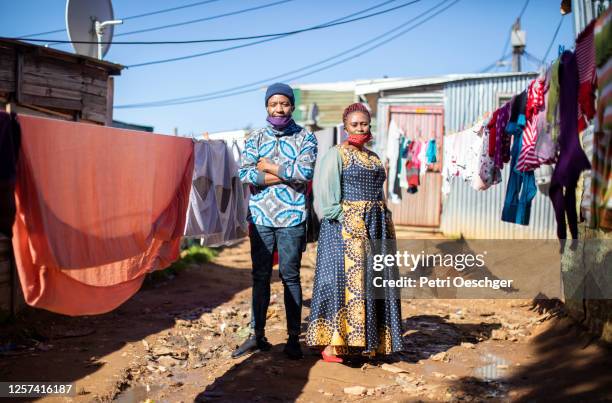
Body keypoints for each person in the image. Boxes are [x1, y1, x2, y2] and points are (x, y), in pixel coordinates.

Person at [305, 103, 403, 362]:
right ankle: (331, 345)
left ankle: (368, 342)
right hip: (344, 229)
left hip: (377, 226)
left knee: (371, 283)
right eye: (354, 124)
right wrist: (349, 220)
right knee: (339, 282)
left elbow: (378, 193)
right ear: (345, 126)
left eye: (364, 123)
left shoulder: (374, 157)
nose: (360, 128)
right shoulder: (336, 154)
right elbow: (327, 202)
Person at [233, 83, 318, 360]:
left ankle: (294, 338)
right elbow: (245, 174)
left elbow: (304, 173)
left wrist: (267, 166)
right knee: (259, 277)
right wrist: (286, 174)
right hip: (260, 218)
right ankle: (256, 336)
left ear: (292, 106)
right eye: (273, 104)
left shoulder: (306, 138)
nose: (279, 109)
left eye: (284, 104)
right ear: (267, 107)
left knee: (290, 277)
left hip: (293, 216)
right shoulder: (255, 138)